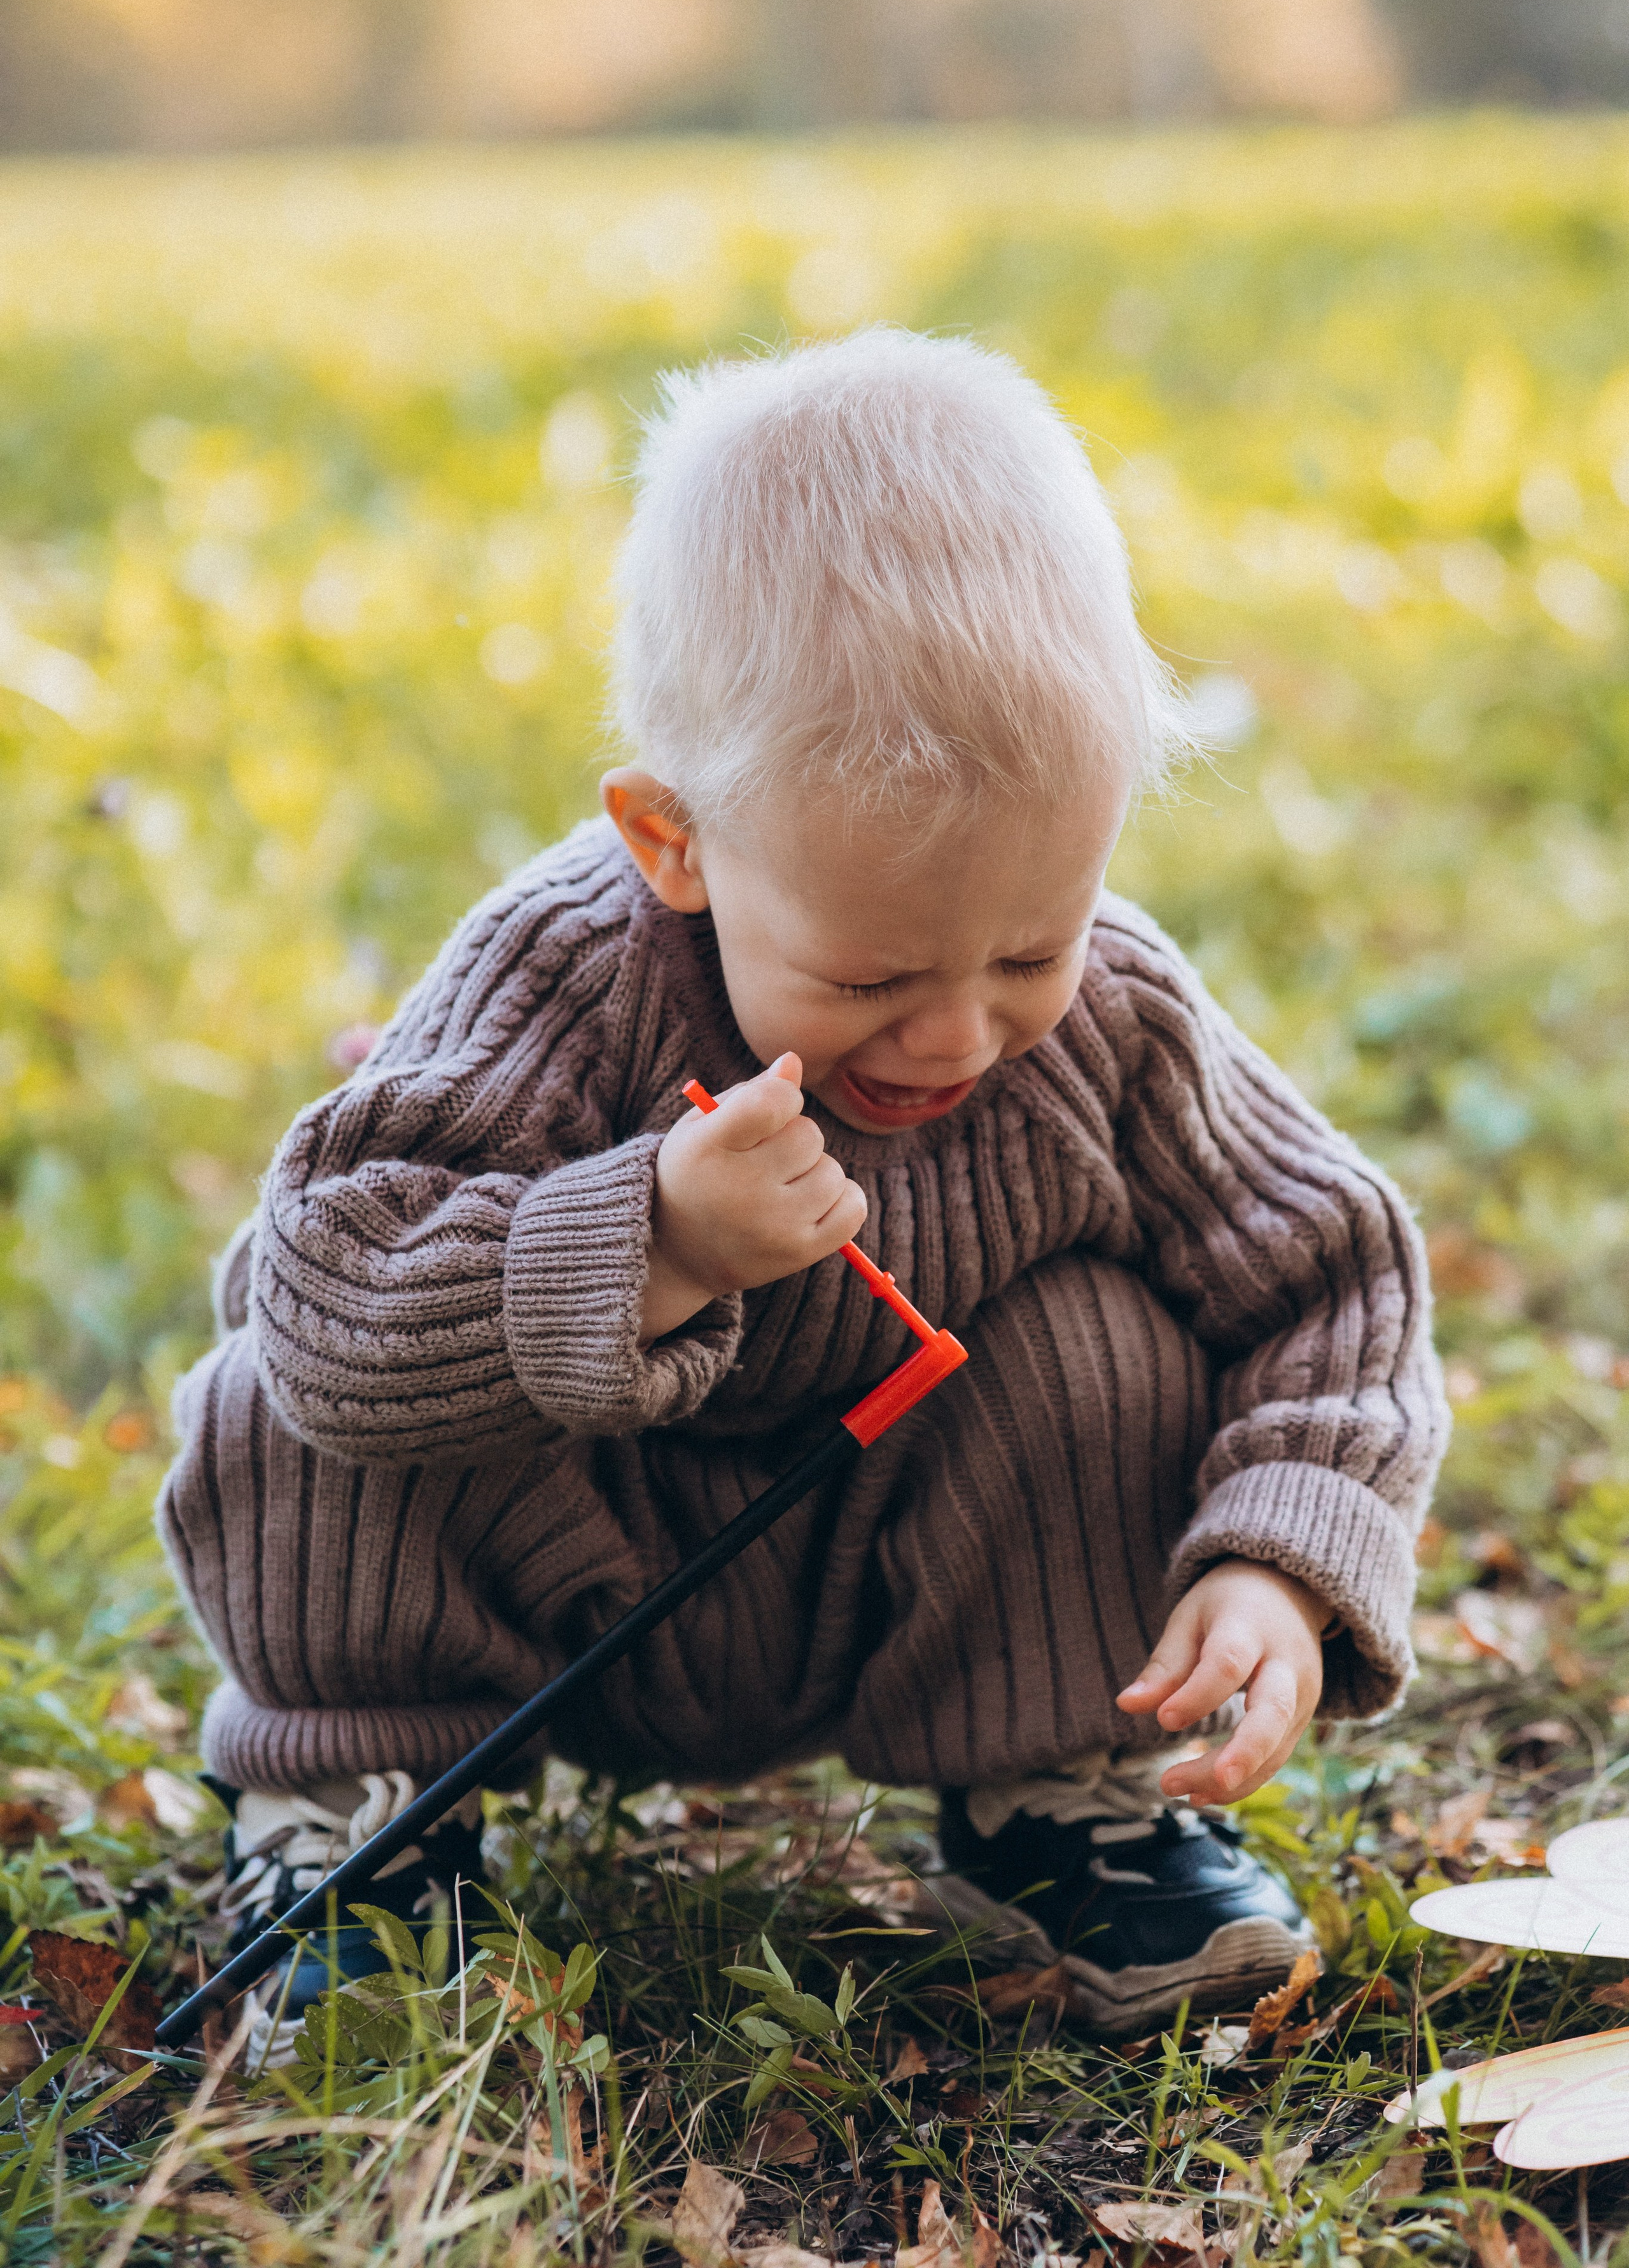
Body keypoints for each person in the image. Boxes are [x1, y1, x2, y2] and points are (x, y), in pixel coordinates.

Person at [159, 328, 1448, 2065]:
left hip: (901, 1583)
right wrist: (654, 1240)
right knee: (286, 1396)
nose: (958, 1031)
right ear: (671, 841)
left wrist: (1284, 1561)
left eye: (1027, 948)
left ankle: (1059, 1793)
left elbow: (1333, 1273)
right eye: (866, 974)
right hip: (549, 1584)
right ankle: (366, 1829)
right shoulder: (559, 978)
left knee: (1103, 1333)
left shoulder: (1117, 1021)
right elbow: (325, 1293)